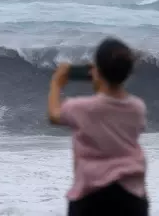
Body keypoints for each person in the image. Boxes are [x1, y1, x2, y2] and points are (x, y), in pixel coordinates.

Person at [48, 37, 149, 216]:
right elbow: (109, 107)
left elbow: (54, 115)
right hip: (131, 196)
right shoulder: (138, 108)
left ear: (97, 71)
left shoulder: (80, 108)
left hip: (91, 196)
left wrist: (56, 83)